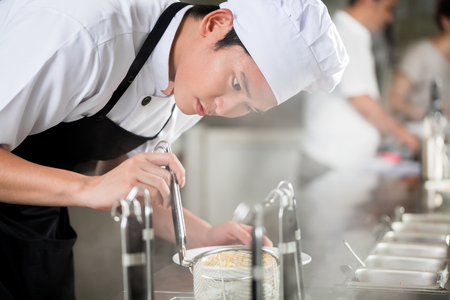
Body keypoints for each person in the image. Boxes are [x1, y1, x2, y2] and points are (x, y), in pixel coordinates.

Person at [0, 0, 348, 298]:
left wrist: (205, 236)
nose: (225, 108)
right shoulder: (84, 34)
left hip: (34, 223)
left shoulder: (194, 87)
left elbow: (134, 186)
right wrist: (87, 189)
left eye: (248, 105)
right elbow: (99, 186)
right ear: (215, 24)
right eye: (236, 83)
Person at [301, 0, 420, 172]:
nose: (390, 18)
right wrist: (403, 134)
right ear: (368, 2)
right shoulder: (343, 34)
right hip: (329, 162)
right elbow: (361, 99)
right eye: (389, 9)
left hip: (341, 162)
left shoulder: (354, 34)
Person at [388, 0, 450, 122]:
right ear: (445, 21)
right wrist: (429, 113)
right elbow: (393, 99)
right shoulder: (421, 53)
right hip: (418, 133)